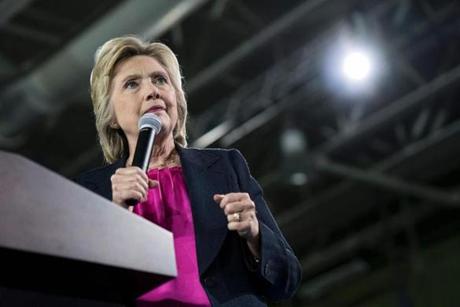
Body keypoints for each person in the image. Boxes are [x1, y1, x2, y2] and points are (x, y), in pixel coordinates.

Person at [76, 35, 301, 306]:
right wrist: (115, 215)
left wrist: (255, 235)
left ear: (177, 98)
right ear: (110, 115)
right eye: (132, 84)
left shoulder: (226, 167)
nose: (152, 91)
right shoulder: (92, 192)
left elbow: (287, 279)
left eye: (160, 80)